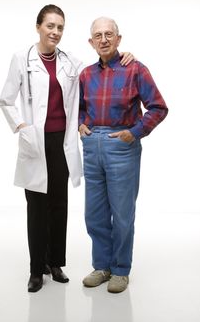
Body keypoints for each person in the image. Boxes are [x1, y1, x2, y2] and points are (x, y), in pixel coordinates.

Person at [0, 5, 135, 293]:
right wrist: (21, 127)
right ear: (38, 27)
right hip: (36, 141)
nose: (55, 32)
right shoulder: (21, 59)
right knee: (37, 206)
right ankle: (37, 270)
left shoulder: (71, 62)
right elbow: (6, 100)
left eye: (60, 27)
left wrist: (126, 56)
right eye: (50, 26)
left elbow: (99, 69)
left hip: (62, 140)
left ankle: (55, 263)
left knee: (59, 205)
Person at [79, 17, 168, 293]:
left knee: (122, 212)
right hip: (93, 145)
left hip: (122, 145)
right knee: (94, 213)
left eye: (109, 34)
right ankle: (101, 266)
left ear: (118, 39)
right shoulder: (86, 75)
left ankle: (120, 269)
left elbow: (158, 107)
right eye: (98, 35)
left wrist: (135, 132)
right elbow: (80, 106)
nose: (103, 39)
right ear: (91, 42)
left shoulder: (135, 70)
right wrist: (82, 124)